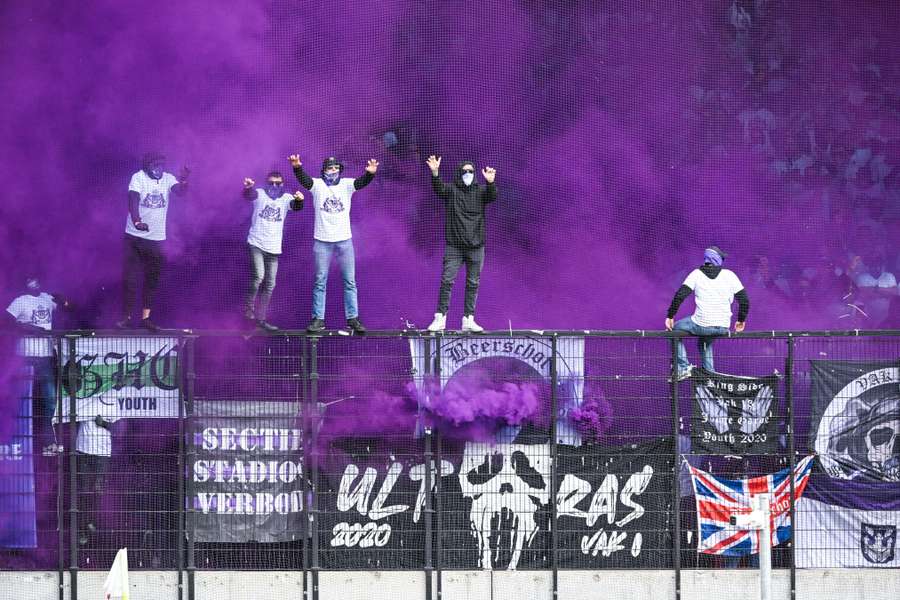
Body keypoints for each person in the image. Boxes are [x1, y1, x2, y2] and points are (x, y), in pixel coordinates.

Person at [288, 153, 378, 333]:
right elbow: (305, 180)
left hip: (344, 240)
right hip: (322, 241)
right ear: (324, 171)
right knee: (320, 281)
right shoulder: (318, 185)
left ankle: (353, 319)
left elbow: (360, 182)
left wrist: (370, 174)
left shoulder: (346, 185)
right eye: (330, 168)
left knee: (350, 282)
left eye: (336, 168)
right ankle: (318, 319)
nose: (334, 171)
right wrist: (297, 167)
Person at [424, 156, 497, 333]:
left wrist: (490, 183)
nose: (467, 174)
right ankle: (440, 318)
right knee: (447, 280)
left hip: (476, 246)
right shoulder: (452, 190)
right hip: (454, 246)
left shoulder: (480, 191)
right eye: (464, 171)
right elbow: (439, 188)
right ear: (459, 173)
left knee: (473, 283)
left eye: (470, 171)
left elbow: (492, 196)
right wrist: (435, 173)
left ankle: (468, 319)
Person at [117, 152, 189, 331]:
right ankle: (126, 318)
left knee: (151, 280)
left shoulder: (167, 178)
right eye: (155, 166)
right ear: (146, 166)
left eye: (161, 165)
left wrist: (185, 179)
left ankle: (145, 319)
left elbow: (180, 192)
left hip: (156, 240)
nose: (159, 169)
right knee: (131, 279)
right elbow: (132, 199)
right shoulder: (138, 178)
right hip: (134, 237)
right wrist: (137, 221)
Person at [6, 276, 69, 455]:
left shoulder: (47, 298)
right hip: (26, 356)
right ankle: (12, 442)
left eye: (37, 280)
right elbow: (6, 320)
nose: (34, 283)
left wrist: (65, 301)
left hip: (45, 357)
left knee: (49, 401)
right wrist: (29, 328)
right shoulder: (20, 301)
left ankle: (49, 444)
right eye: (31, 280)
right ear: (26, 283)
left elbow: (71, 308)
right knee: (22, 398)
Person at [665, 246, 749, 379]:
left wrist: (670, 315)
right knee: (705, 342)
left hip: (701, 324)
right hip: (722, 326)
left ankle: (683, 367)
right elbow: (744, 300)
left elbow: (680, 295)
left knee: (674, 330)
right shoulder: (730, 275)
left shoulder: (696, 274)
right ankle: (710, 376)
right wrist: (741, 320)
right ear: (718, 260)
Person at [242, 171, 304, 331]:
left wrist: (299, 200)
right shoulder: (261, 194)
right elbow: (250, 195)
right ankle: (248, 313)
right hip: (256, 243)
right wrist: (248, 188)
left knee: (270, 284)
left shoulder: (286, 198)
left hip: (274, 248)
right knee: (259, 277)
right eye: (271, 183)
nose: (274, 186)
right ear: (266, 183)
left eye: (278, 183)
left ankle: (260, 319)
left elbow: (296, 207)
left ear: (282, 184)